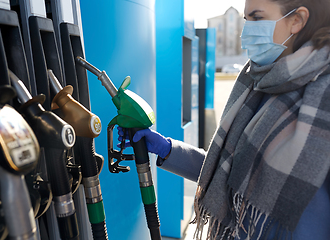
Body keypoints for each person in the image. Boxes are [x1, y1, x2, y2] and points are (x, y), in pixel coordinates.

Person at [119, 0, 330, 239]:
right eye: (245, 20)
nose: (245, 32)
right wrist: (167, 149)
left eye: (257, 18)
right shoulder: (255, 83)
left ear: (297, 20)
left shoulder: (322, 95)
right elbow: (229, 174)